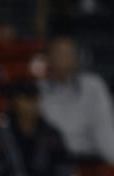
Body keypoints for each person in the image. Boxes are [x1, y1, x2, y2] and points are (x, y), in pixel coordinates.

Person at [38, 36, 114, 164]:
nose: (63, 58)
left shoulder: (93, 86)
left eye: (68, 53)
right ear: (48, 58)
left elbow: (106, 132)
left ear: (77, 58)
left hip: (90, 161)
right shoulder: (38, 91)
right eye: (58, 53)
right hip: (53, 164)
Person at [0, 81, 73, 176]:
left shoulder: (51, 134)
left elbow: (64, 168)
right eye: (26, 98)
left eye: (35, 98)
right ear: (14, 101)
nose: (32, 103)